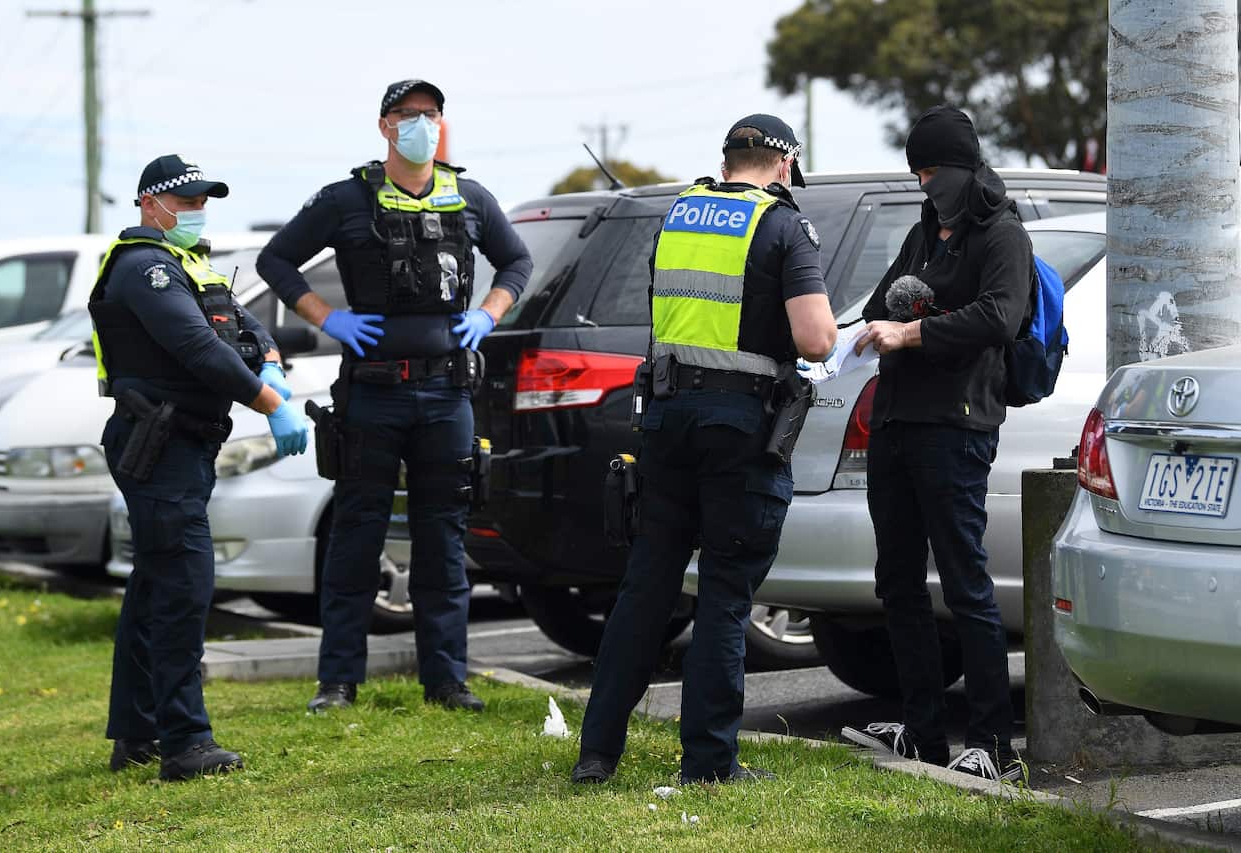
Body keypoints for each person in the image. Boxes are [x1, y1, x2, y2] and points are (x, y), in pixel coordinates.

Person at [570, 115, 837, 785]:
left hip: (666, 418)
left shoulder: (679, 214)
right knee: (724, 593)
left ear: (728, 159)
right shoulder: (783, 225)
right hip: (739, 428)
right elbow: (815, 339)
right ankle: (710, 763)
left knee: (647, 585)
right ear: (784, 164)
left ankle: (597, 753)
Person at [256, 79, 531, 714]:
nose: (423, 126)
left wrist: (489, 313)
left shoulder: (469, 197)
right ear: (385, 126)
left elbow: (516, 264)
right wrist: (328, 317)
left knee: (443, 536)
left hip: (446, 392)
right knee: (357, 533)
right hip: (372, 394)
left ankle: (446, 679)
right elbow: (277, 260)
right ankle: (338, 681)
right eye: (410, 116)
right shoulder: (346, 198)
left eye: (432, 115)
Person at [94, 154, 309, 781]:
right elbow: (195, 347)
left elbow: (243, 325)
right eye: (184, 201)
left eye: (201, 201)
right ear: (148, 203)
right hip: (155, 445)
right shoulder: (145, 269)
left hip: (185, 446)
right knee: (183, 589)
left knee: (155, 589)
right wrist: (271, 403)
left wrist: (268, 359)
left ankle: (136, 734)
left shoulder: (190, 264)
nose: (195, 211)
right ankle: (185, 744)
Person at [841, 105, 1032, 782]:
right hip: (895, 422)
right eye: (917, 170)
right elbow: (876, 307)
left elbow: (1001, 315)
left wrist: (912, 330)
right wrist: (866, 328)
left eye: (932, 169)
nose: (925, 182)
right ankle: (921, 730)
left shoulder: (1001, 233)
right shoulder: (925, 231)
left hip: (956, 427)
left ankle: (991, 743)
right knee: (896, 581)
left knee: (964, 582)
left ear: (962, 167)